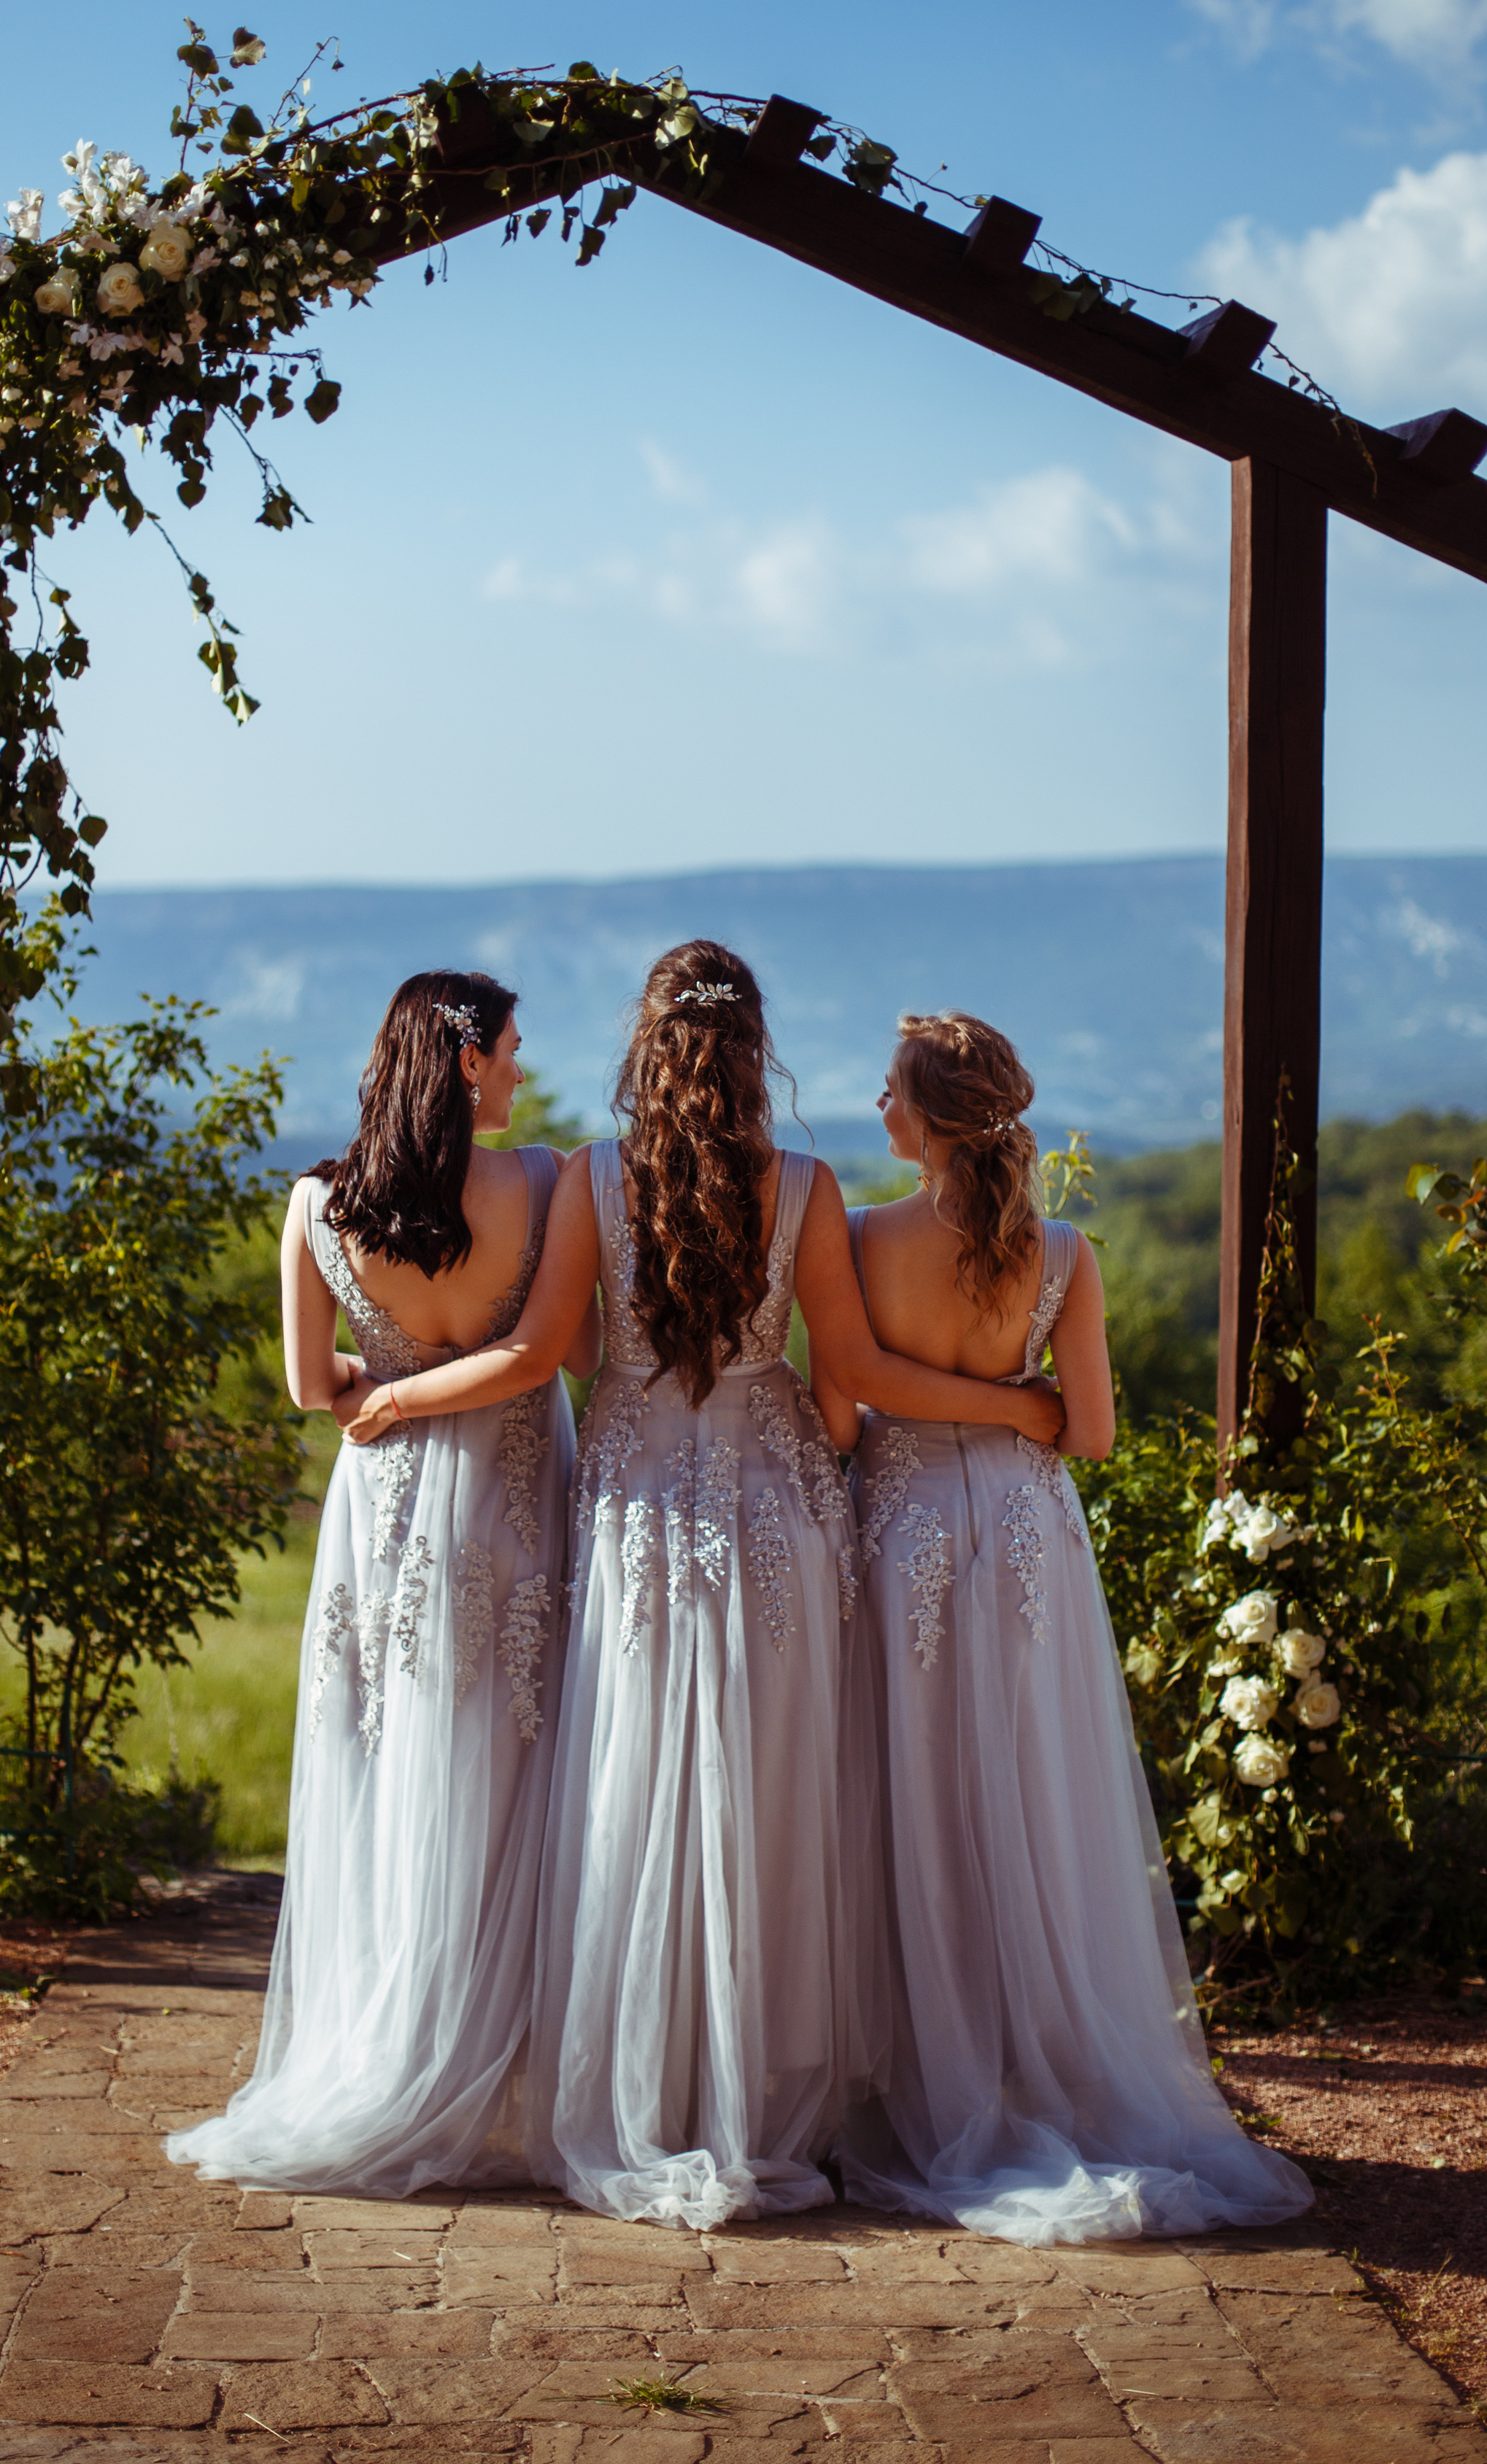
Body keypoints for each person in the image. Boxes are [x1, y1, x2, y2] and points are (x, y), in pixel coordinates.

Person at [345, 942, 1059, 2227]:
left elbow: (551, 1351)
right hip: (777, 1507)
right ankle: (767, 2099)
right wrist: (833, 1458)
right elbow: (838, 1378)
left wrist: (398, 1387)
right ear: (751, 1052)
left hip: (634, 1506)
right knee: (771, 1798)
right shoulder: (808, 1187)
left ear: (649, 1047)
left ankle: (643, 2091)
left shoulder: (591, 1178)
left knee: (631, 1788)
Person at [816, 1008, 1313, 2244]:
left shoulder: (861, 1238)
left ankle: (918, 2075)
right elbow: (1086, 1432)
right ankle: (1040, 2060)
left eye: (891, 1092)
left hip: (903, 1528)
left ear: (933, 1117)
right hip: (1025, 1535)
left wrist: (919, 1410)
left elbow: (843, 1404)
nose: (879, 1108)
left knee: (908, 1792)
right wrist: (1013, 1404)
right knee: (1031, 1796)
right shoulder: (1064, 1252)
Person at [167, 969, 600, 2195]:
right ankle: (499, 2065)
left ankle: (387, 2042)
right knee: (514, 1770)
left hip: (388, 1510)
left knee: (389, 1763)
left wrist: (391, 1384)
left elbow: (312, 1387)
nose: (520, 1068)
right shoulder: (546, 1183)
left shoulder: (315, 1203)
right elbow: (555, 1354)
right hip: (514, 1497)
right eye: (510, 1048)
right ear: (467, 1060)